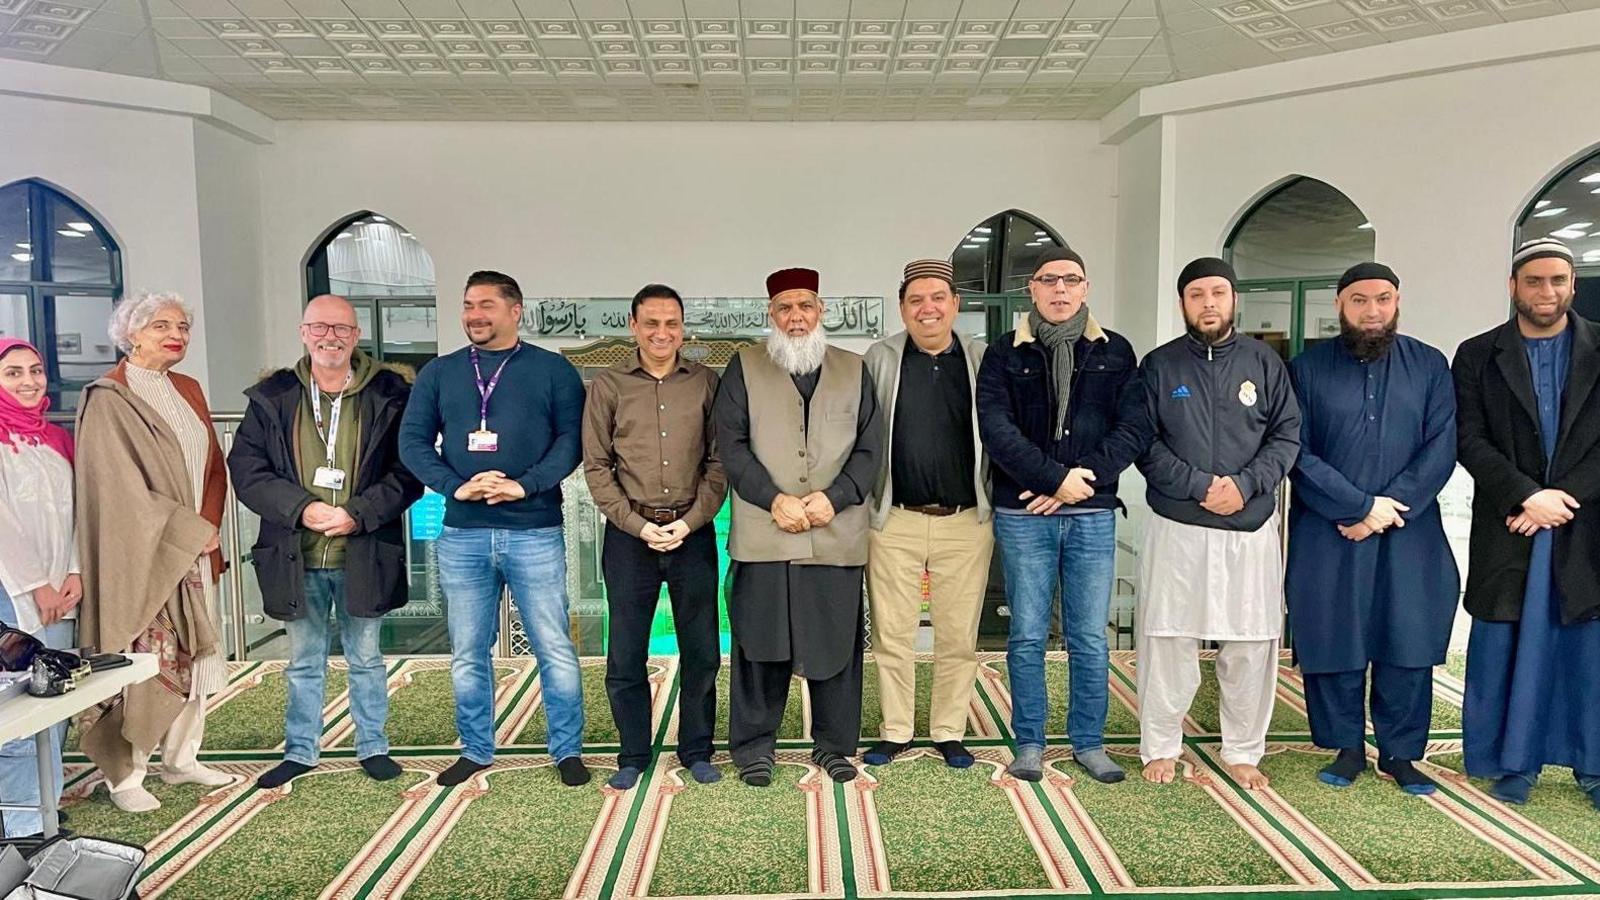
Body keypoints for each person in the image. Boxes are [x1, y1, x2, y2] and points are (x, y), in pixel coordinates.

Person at [399, 270, 590, 788]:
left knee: (553, 644)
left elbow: (571, 443)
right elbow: (412, 443)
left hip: (534, 530)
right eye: (467, 306)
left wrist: (523, 487)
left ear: (515, 310)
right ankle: (476, 749)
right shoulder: (439, 374)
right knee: (467, 650)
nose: (473, 315)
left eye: (485, 305)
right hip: (463, 533)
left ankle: (567, 750)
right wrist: (453, 487)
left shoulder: (553, 370)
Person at [228, 294, 423, 790]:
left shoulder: (390, 393)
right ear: (303, 332)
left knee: (367, 659)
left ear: (356, 336)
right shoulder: (271, 396)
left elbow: (408, 472)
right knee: (303, 662)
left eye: (341, 328)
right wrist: (302, 509)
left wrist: (357, 515)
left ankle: (373, 747)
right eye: (320, 327)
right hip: (297, 552)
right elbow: (247, 471)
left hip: (363, 548)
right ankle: (300, 751)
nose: (329, 337)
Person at [975, 248, 1150, 784]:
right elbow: (996, 429)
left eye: (1070, 280)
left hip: (1092, 511)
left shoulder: (1116, 352)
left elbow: (1133, 429)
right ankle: (1029, 741)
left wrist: (1079, 482)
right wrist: (1053, 481)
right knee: (1027, 633)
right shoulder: (1005, 354)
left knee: (1089, 637)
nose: (1060, 290)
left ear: (1086, 287)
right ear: (1032, 288)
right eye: (1049, 280)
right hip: (1024, 511)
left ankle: (1089, 742)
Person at [1286, 263, 1459, 795]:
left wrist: (1390, 508)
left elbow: (1442, 446)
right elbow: (1296, 450)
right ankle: (1345, 747)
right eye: (1359, 300)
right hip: (1331, 527)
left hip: (1409, 528)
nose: (1372, 311)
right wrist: (1357, 508)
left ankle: (1401, 753)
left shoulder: (1429, 365)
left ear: (1397, 301)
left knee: (1404, 634)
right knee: (1334, 631)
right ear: (1339, 305)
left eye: (1382, 299)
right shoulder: (1307, 368)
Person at [1135, 258, 1300, 790]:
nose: (1209, 303)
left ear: (1234, 300)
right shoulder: (1159, 367)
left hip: (1249, 525)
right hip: (1179, 522)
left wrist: (1246, 485)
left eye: (1219, 293)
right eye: (1197, 294)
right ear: (1182, 303)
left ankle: (1243, 750)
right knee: (1169, 638)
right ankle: (1161, 745)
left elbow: (1286, 437)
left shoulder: (1266, 363)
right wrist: (1200, 486)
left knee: (1252, 641)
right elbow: (1145, 442)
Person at [713, 267, 882, 786]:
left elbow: (872, 447)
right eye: (785, 308)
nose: (796, 317)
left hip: (835, 534)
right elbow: (731, 446)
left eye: (805, 306)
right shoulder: (742, 369)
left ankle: (834, 746)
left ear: (821, 311)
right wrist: (773, 499)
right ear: (771, 314)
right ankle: (753, 747)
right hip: (767, 532)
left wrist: (836, 498)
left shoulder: (854, 369)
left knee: (835, 646)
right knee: (758, 644)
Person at [75, 291, 235, 812]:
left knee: (199, 651)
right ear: (131, 333)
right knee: (145, 655)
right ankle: (128, 773)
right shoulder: (109, 398)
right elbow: (117, 489)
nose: (177, 334)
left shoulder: (186, 388)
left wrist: (207, 525)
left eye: (184, 326)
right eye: (162, 325)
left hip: (194, 545)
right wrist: (187, 529)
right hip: (144, 552)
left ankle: (182, 757)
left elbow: (212, 466)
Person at [1455, 238, 1600, 808]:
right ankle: (1510, 762)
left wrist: (1561, 497)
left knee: (1584, 649)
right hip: (1509, 520)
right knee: (1506, 641)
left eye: (1558, 281)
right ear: (1513, 286)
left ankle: (1592, 765)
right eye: (1535, 281)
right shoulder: (1476, 354)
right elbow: (1469, 437)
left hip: (1582, 521)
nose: (1547, 292)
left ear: (1572, 285)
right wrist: (1525, 495)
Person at [582, 284, 727, 790]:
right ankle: (633, 752)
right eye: (651, 323)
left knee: (703, 648)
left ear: (683, 328)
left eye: (671, 324)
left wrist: (689, 522)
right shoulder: (608, 385)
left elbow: (719, 461)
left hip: (693, 532)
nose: (661, 333)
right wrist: (637, 524)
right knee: (625, 650)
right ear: (633, 326)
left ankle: (697, 749)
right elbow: (597, 466)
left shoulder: (707, 383)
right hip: (629, 535)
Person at [862, 259, 992, 770]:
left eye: (938, 297)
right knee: (892, 632)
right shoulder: (881, 357)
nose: (927, 308)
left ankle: (947, 730)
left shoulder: (982, 359)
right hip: (895, 520)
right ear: (902, 308)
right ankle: (896, 730)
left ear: (956, 304)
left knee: (957, 634)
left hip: (966, 521)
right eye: (915, 300)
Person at [0, 338, 79, 836]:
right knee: (14, 703)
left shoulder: (56, 438)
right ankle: (18, 816)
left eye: (36, 370)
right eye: (13, 373)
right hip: (10, 591)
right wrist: (35, 586)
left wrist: (74, 573)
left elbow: (78, 512)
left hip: (61, 587)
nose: (29, 381)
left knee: (56, 694)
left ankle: (43, 803)